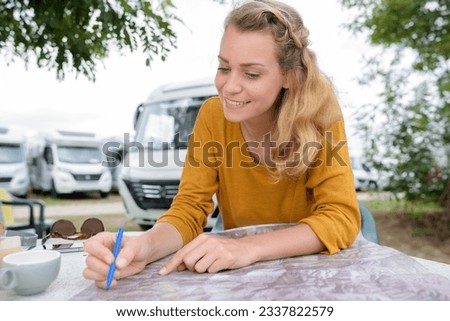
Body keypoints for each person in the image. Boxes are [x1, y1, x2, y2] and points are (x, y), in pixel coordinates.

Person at [83, 0, 360, 289]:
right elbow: (189, 209)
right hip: (244, 276)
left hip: (313, 272)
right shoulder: (212, 116)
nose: (229, 87)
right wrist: (143, 247)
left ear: (289, 75)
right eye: (224, 67)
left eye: (251, 74)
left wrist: (248, 248)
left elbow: (341, 218)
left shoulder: (321, 116)